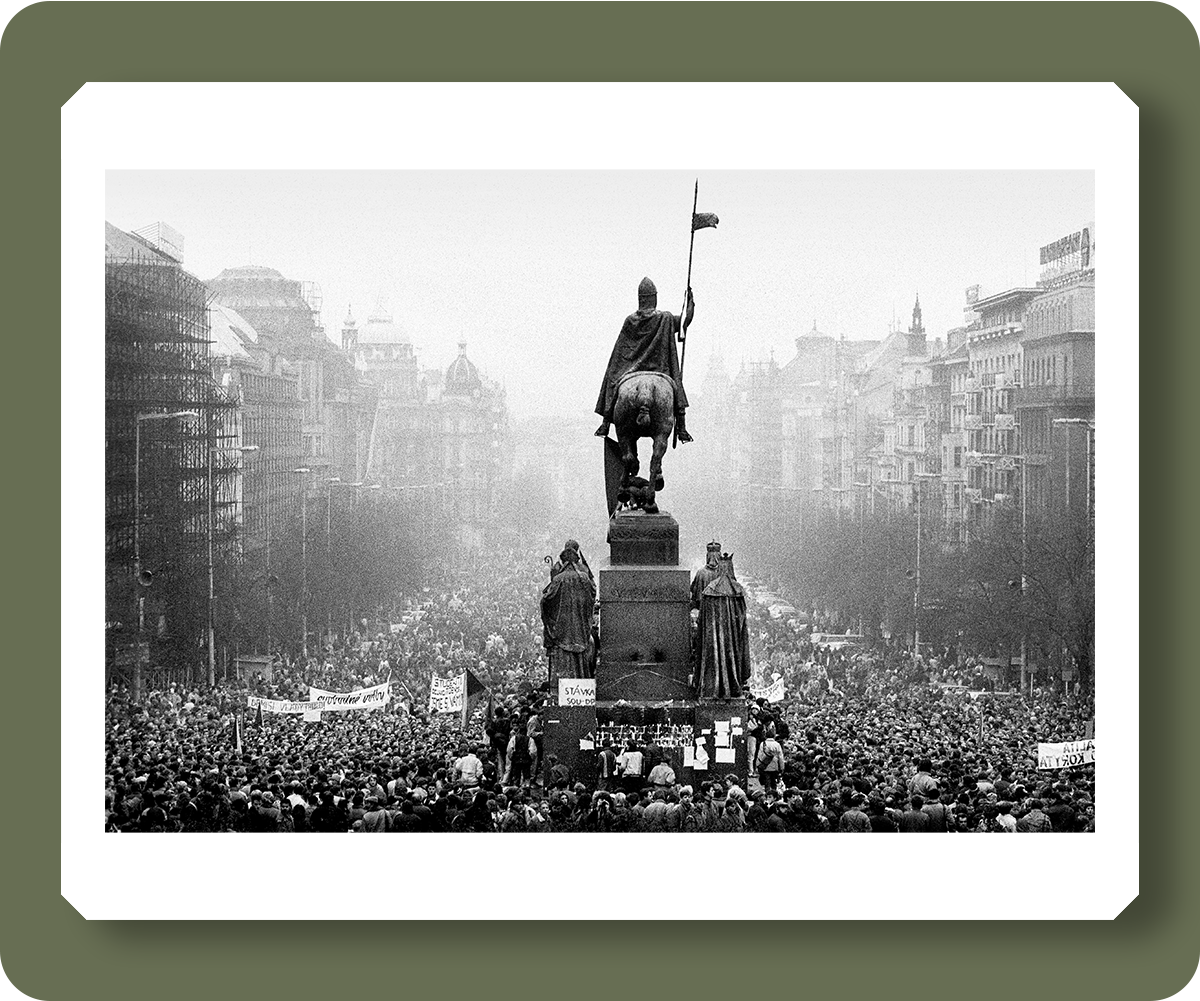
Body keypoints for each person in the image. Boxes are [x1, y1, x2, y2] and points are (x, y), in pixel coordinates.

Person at [594, 277, 694, 443]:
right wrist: (690, 303)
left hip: (631, 369)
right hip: (659, 370)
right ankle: (681, 426)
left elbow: (620, 353)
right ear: (654, 298)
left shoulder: (630, 320)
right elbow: (685, 321)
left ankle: (606, 421)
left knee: (612, 373)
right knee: (676, 385)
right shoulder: (666, 318)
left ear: (640, 299)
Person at [540, 548, 596, 680]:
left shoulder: (559, 579)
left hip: (564, 627)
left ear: (563, 561)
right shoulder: (584, 578)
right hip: (580, 627)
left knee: (564, 651)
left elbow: (546, 600)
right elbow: (592, 594)